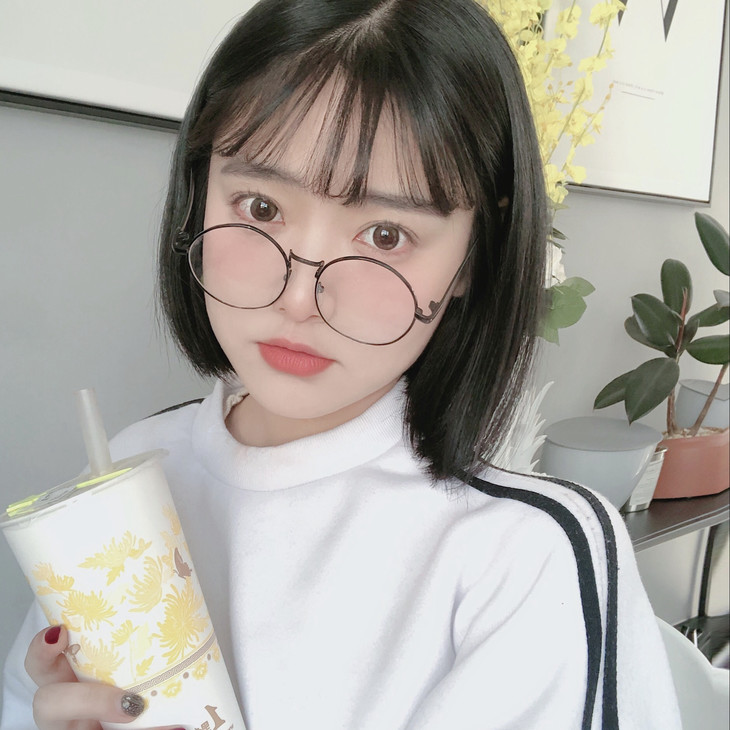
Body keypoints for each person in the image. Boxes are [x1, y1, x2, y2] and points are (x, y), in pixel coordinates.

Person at [1, 0, 680, 728]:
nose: (299, 298)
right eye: (260, 207)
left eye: (386, 235)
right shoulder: (130, 471)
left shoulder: (529, 555)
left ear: (471, 258)